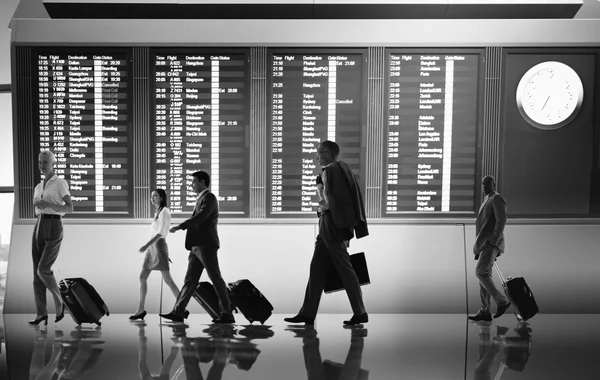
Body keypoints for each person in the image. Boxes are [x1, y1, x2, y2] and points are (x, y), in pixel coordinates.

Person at [285, 140, 369, 326]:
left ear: (328, 154)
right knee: (316, 269)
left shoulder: (330, 171)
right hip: (331, 225)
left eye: (320, 153)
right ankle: (307, 313)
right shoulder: (345, 170)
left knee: (345, 269)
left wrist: (319, 188)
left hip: (330, 224)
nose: (317, 157)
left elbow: (330, 201)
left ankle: (360, 312)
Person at [160, 171, 235, 324]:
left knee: (215, 278)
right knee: (190, 281)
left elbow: (201, 216)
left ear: (202, 182)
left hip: (206, 245)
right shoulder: (201, 198)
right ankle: (178, 312)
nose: (191, 185)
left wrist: (181, 226)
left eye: (194, 182)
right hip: (196, 247)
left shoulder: (210, 198)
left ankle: (227, 313)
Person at [30, 150, 73, 326]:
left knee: (43, 269)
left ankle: (60, 301)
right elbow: (37, 209)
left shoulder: (60, 183)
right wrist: (39, 206)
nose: (42, 166)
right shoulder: (38, 187)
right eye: (40, 162)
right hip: (39, 225)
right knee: (36, 274)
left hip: (54, 225)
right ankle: (41, 314)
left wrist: (49, 204)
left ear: (52, 163)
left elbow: (70, 208)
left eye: (45, 163)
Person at [130, 189, 181, 321]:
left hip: (157, 246)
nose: (152, 198)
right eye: (151, 196)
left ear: (162, 198)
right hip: (153, 247)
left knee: (168, 280)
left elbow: (161, 233)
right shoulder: (158, 212)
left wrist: (146, 245)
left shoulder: (165, 211)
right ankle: (140, 309)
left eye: (155, 196)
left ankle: (182, 307)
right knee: (142, 277)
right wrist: (149, 247)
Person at [468, 175, 511, 322]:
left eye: (487, 183)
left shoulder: (496, 198)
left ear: (494, 185)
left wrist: (493, 241)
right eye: (483, 184)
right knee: (485, 276)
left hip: (490, 244)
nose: (484, 186)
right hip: (484, 245)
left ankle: (502, 301)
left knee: (480, 273)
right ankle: (485, 311)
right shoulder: (487, 199)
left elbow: (502, 220)